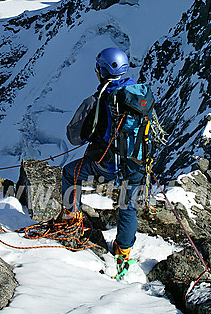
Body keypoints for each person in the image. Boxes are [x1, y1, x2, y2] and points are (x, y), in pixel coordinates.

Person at [61, 47, 154, 268]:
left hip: (108, 163)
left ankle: (71, 218)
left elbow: (74, 136)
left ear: (101, 71)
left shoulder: (100, 98)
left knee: (70, 173)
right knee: (127, 205)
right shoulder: (140, 95)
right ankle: (123, 250)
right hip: (137, 163)